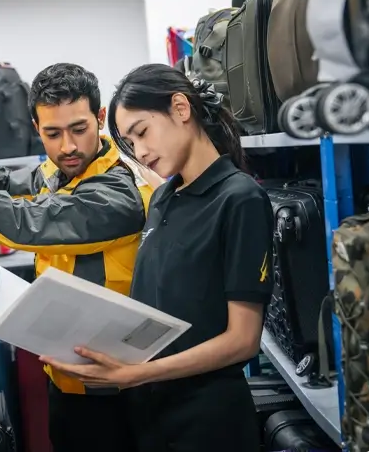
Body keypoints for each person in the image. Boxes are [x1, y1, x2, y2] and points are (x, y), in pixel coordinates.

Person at [0, 63, 150, 452]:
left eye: (79, 129)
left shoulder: (116, 195)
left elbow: (30, 221)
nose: (67, 146)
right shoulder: (60, 169)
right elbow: (21, 185)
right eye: (53, 133)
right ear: (36, 128)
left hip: (115, 389)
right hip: (66, 378)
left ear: (100, 118)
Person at [40, 64, 274, 452]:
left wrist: (137, 373)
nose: (141, 152)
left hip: (207, 423)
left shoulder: (240, 199)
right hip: (150, 416)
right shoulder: (165, 197)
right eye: (130, 142)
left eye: (142, 132)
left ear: (181, 108)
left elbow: (243, 340)